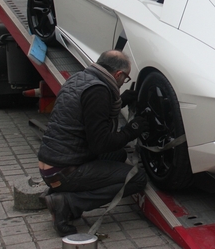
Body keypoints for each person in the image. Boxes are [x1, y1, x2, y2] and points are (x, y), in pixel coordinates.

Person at [38, 50, 149, 237]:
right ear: (118, 74)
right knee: (136, 177)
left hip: (52, 163)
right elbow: (101, 144)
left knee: (119, 155)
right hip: (63, 171)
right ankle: (66, 203)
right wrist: (131, 130)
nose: (123, 83)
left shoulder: (81, 79)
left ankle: (60, 192)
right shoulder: (99, 91)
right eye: (126, 78)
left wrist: (122, 101)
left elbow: (91, 114)